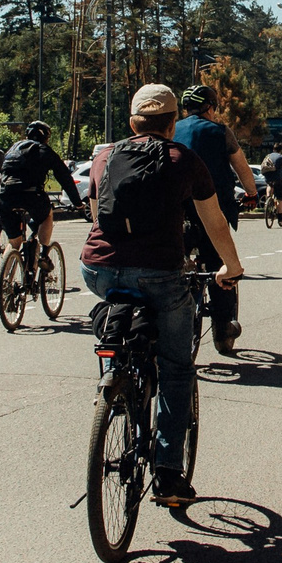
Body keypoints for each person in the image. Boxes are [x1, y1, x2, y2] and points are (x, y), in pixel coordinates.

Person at [81, 84, 245, 504]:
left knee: (115, 303)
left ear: (133, 122)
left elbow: (95, 209)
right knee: (175, 368)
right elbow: (216, 223)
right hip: (159, 274)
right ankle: (170, 475)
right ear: (172, 124)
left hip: (96, 268)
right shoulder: (182, 159)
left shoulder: (105, 156)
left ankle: (115, 381)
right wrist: (231, 266)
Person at [173, 84, 253, 355]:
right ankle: (223, 327)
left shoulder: (172, 129)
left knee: (175, 260)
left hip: (177, 211)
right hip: (213, 208)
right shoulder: (220, 132)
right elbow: (241, 167)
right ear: (210, 107)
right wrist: (252, 194)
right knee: (221, 265)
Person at [0, 120, 83, 256]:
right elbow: (65, 178)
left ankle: (5, 275)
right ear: (46, 138)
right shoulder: (45, 151)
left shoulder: (14, 148)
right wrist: (78, 204)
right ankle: (44, 254)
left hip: (5, 196)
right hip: (32, 196)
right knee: (47, 215)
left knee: (14, 242)